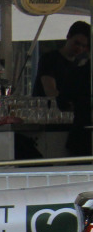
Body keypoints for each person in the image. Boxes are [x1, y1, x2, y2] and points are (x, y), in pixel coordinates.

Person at [33, 21, 91, 156]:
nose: (80, 48)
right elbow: (50, 92)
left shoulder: (80, 65)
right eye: (77, 43)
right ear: (68, 37)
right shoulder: (50, 59)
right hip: (47, 119)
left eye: (84, 46)